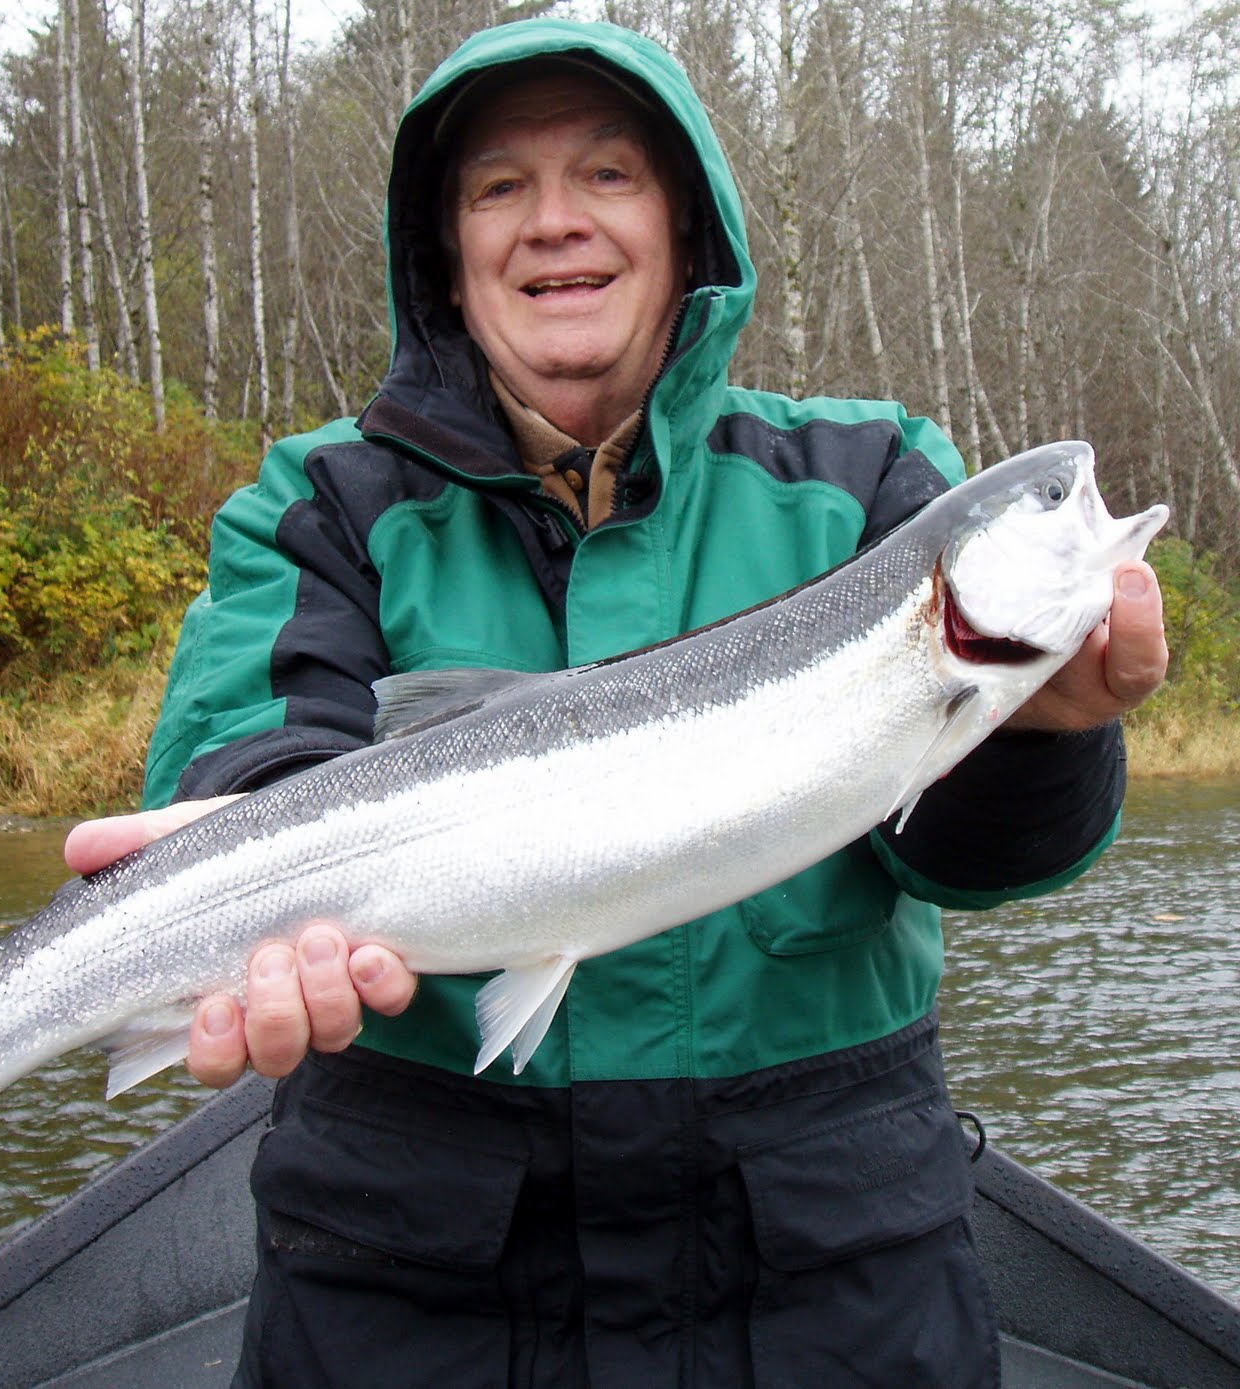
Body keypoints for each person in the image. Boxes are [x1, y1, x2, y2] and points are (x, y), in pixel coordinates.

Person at [65, 18, 1168, 1387]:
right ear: (448, 258)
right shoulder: (316, 502)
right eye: (498, 188)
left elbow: (954, 850)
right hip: (412, 1302)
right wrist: (247, 871)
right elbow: (262, 752)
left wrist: (1047, 729)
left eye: (608, 175)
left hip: (830, 1298)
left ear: (687, 231)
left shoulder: (875, 478)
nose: (554, 223)